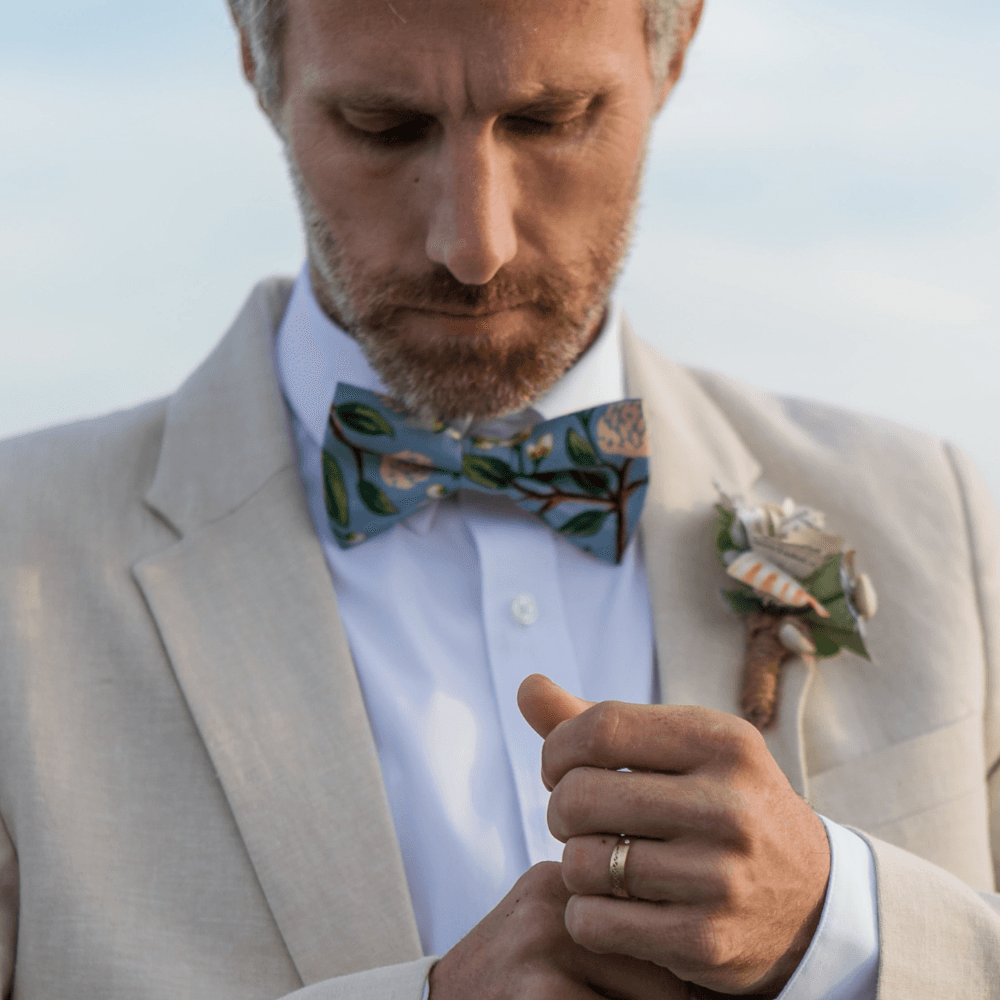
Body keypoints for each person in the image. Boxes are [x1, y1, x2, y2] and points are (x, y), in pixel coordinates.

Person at [0, 0, 998, 997]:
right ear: (255, 59)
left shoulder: (939, 521)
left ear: (679, 40)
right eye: (384, 129)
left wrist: (841, 926)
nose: (471, 247)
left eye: (549, 119)